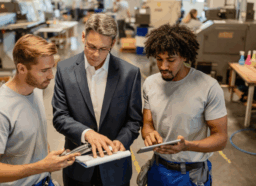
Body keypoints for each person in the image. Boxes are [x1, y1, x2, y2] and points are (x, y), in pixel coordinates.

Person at [52, 13, 143, 186]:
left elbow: (134, 121)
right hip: (77, 166)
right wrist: (87, 134)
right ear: (83, 36)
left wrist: (120, 142)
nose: (95, 54)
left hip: (115, 169)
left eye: (103, 49)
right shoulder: (65, 70)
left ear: (113, 43)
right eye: (91, 46)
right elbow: (60, 116)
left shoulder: (129, 74)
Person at [0, 34, 80, 186]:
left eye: (52, 68)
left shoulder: (35, 89)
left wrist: (48, 160)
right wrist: (41, 166)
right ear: (21, 68)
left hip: (44, 180)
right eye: (44, 70)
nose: (51, 76)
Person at [141, 24, 228, 186]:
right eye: (159, 59)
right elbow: (147, 124)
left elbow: (221, 139)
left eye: (171, 60)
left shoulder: (208, 87)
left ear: (185, 57)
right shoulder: (150, 84)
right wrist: (149, 134)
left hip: (192, 175)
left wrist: (187, 146)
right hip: (158, 169)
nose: (163, 66)